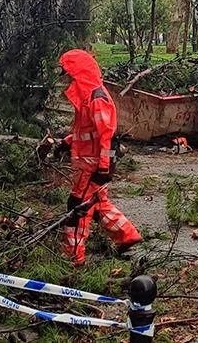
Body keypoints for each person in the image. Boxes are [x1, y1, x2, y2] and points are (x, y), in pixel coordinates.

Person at [54, 49, 142, 265]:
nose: (66, 80)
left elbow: (106, 136)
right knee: (98, 203)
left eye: (68, 75)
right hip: (89, 163)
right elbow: (87, 132)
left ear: (78, 73)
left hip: (92, 166)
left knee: (78, 206)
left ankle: (74, 254)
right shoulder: (87, 98)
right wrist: (67, 142)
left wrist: (103, 168)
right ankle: (127, 235)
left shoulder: (96, 98)